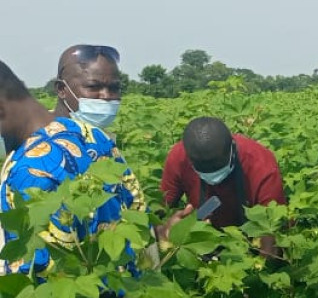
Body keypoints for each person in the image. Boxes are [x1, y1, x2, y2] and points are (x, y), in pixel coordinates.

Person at [0, 57, 145, 277]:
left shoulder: (29, 171)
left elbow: (38, 273)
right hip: (126, 295)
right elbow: (139, 216)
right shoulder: (92, 135)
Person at [159, 118, 286, 259]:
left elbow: (273, 231)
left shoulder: (260, 164)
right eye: (202, 168)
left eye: (216, 165)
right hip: (201, 235)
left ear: (232, 148)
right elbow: (160, 210)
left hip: (250, 243)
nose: (212, 175)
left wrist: (260, 268)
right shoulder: (179, 157)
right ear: (190, 159)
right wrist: (169, 228)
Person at [53, 43, 124, 130]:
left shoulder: (99, 137)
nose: (106, 96)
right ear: (61, 89)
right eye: (93, 86)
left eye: (114, 88)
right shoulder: (44, 139)